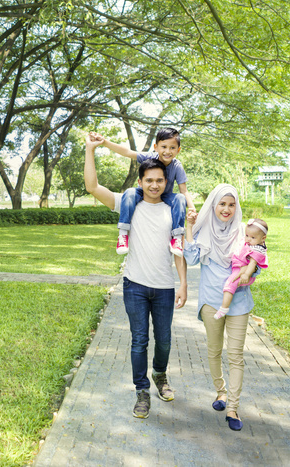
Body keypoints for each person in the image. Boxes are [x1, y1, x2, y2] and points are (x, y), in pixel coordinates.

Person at [84, 133, 188, 419]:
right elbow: (92, 187)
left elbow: (179, 251)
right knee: (139, 340)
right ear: (140, 182)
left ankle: (160, 375)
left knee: (164, 340)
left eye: (159, 180)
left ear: (166, 182)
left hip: (165, 288)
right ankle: (142, 391)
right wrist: (90, 150)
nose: (154, 185)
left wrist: (184, 284)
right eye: (149, 180)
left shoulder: (172, 208)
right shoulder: (128, 204)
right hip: (135, 287)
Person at [183, 184, 259, 432]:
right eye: (222, 204)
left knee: (236, 355)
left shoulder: (243, 232)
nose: (226, 209)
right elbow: (192, 259)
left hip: (239, 302)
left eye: (231, 204)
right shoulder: (202, 229)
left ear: (236, 207)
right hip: (210, 302)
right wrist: (189, 228)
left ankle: (233, 408)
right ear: (214, 205)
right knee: (214, 351)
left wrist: (252, 272)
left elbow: (257, 257)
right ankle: (220, 393)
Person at [89, 129, 198, 256]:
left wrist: (192, 207)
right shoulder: (150, 157)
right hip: (144, 192)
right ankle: (123, 235)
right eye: (164, 147)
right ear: (156, 147)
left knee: (180, 198)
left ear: (178, 150)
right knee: (129, 192)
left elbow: (183, 190)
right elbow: (127, 152)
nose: (167, 151)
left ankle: (177, 238)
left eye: (172, 148)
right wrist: (105, 142)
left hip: (166, 195)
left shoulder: (177, 165)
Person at [214, 218, 269, 319]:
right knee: (230, 285)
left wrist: (246, 274)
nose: (248, 239)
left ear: (263, 238)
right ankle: (224, 307)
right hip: (239, 268)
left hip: (242, 271)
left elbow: (252, 263)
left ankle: (224, 308)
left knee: (229, 285)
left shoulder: (257, 249)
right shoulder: (251, 243)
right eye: (247, 235)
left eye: (252, 237)